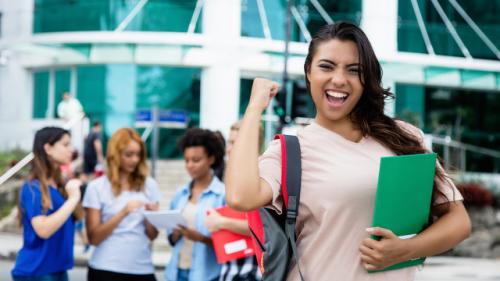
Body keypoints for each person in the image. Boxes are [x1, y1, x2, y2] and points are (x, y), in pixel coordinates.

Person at [225, 22, 471, 281]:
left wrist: (406, 249)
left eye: (354, 70)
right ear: (309, 71)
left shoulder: (404, 137)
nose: (339, 79)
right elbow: (241, 197)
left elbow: (458, 221)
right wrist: (254, 108)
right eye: (326, 66)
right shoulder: (290, 151)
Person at [83, 128, 161, 281]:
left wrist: (151, 217)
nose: (135, 160)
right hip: (105, 268)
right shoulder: (97, 187)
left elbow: (153, 235)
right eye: (129, 154)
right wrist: (123, 212)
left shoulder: (150, 185)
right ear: (115, 155)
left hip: (142, 268)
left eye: (138, 154)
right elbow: (94, 238)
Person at [11, 127, 84, 281]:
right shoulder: (32, 187)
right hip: (37, 272)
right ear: (48, 148)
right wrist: (72, 199)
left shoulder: (60, 184)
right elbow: (43, 229)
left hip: (59, 270)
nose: (71, 149)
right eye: (65, 144)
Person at [164, 128, 226, 281]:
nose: (190, 165)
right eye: (187, 160)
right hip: (176, 273)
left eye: (196, 160)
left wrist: (200, 238)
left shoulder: (222, 195)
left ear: (211, 159)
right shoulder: (180, 194)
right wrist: (175, 234)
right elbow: (171, 239)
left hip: (206, 275)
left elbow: (227, 244)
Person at [204, 121, 262, 281]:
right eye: (229, 142)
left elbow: (262, 228)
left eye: (235, 143)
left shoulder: (262, 178)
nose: (228, 149)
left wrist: (220, 222)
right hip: (231, 270)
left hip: (250, 272)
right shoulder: (231, 177)